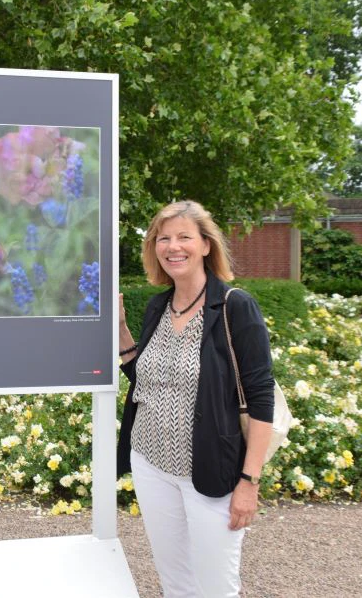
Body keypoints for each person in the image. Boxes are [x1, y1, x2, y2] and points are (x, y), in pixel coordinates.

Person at [116, 200, 274, 597]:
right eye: (162, 238)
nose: (173, 246)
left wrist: (249, 482)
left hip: (212, 471)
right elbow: (148, 381)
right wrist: (120, 330)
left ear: (206, 245)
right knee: (175, 581)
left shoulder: (236, 306)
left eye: (184, 237)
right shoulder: (158, 306)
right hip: (151, 463)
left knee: (216, 586)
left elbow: (260, 399)